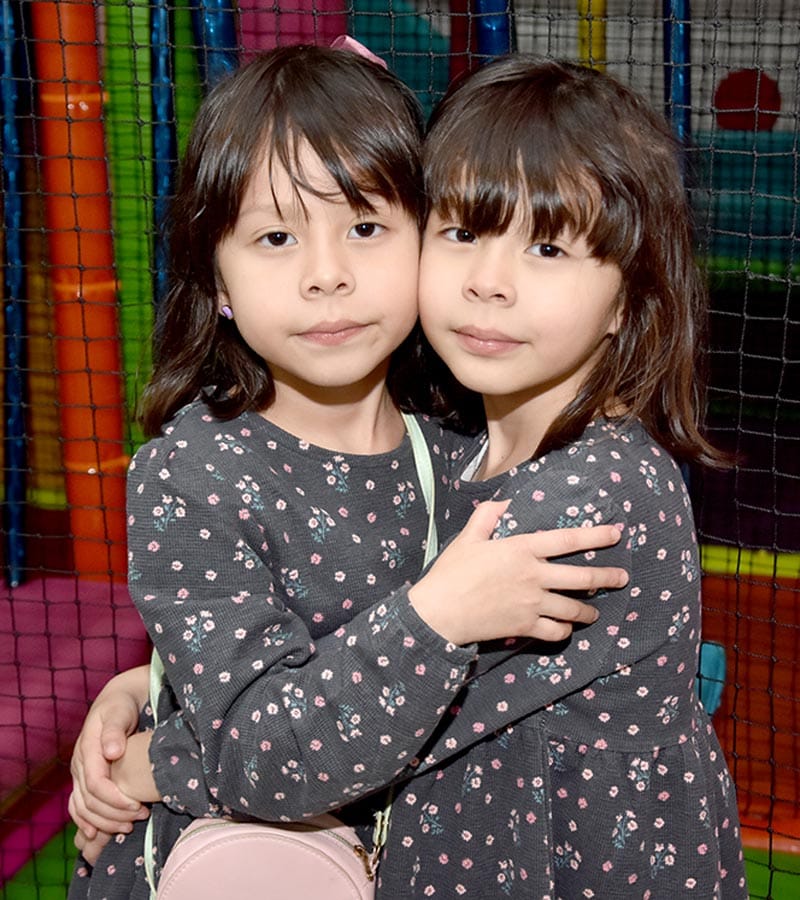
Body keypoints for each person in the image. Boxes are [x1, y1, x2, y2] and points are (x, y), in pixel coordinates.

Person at [67, 45, 627, 898]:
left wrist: (146, 712)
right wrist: (438, 617)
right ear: (217, 280)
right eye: (276, 237)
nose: (326, 275)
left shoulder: (464, 444)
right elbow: (253, 729)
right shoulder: (193, 473)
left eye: (366, 228)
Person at [372, 55, 748, 897]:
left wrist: (169, 758)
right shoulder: (461, 447)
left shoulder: (587, 499)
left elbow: (371, 712)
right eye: (463, 232)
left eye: (546, 247)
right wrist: (157, 688)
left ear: (628, 300)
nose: (488, 283)